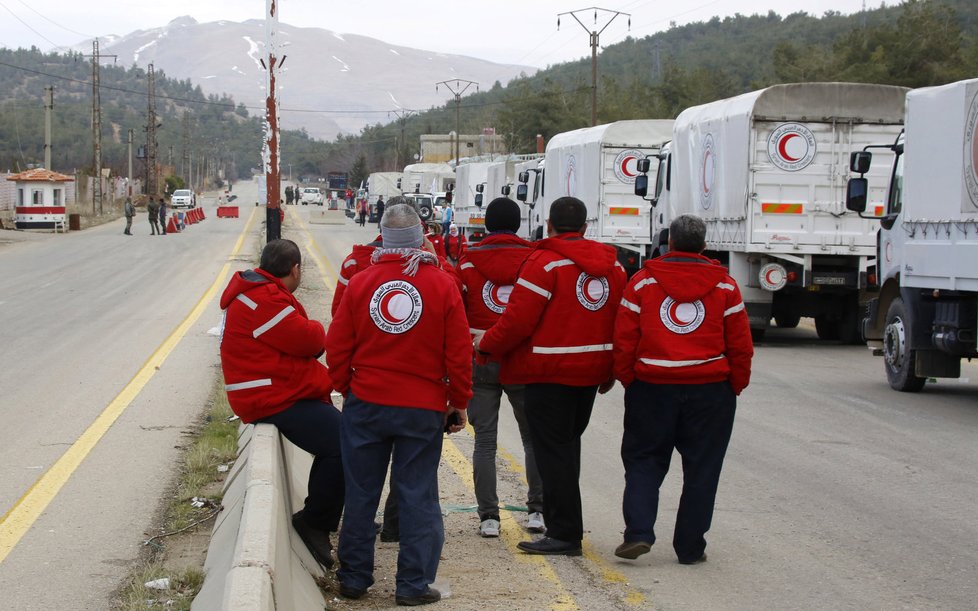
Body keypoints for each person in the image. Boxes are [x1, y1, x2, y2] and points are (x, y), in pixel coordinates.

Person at [326, 203, 471, 606]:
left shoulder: (361, 281)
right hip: (421, 408)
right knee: (417, 495)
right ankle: (411, 585)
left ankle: (354, 578)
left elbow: (336, 346)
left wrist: (346, 388)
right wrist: (458, 402)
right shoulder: (441, 284)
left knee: (360, 494)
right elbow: (458, 353)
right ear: (421, 236)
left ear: (384, 238)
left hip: (367, 404)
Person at [474, 196, 626, 556]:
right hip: (590, 373)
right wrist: (612, 367)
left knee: (553, 453)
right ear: (586, 227)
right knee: (567, 449)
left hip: (547, 372)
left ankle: (565, 532)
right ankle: (564, 524)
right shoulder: (614, 268)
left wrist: (485, 344)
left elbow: (518, 321)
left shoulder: (544, 264)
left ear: (549, 225)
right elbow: (621, 321)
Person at [612, 214, 753, 565]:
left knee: (644, 460)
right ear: (704, 246)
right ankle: (690, 547)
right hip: (710, 390)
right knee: (703, 468)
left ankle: (639, 533)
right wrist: (734, 385)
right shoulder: (725, 287)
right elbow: (740, 345)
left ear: (669, 243)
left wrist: (631, 380)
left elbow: (625, 340)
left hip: (652, 387)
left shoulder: (643, 283)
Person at [219, 239, 345, 569]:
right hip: (270, 398)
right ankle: (314, 522)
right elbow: (313, 341)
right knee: (344, 442)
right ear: (295, 270)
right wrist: (317, 327)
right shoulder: (264, 300)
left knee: (341, 435)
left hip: (274, 393)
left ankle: (339, 515)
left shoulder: (257, 293)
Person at [455, 197, 544, 538]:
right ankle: (537, 511)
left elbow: (458, 312)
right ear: (518, 224)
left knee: (485, 442)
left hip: (481, 356)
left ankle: (489, 517)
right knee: (533, 439)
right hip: (523, 357)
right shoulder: (534, 260)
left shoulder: (467, 262)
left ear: (486, 225)